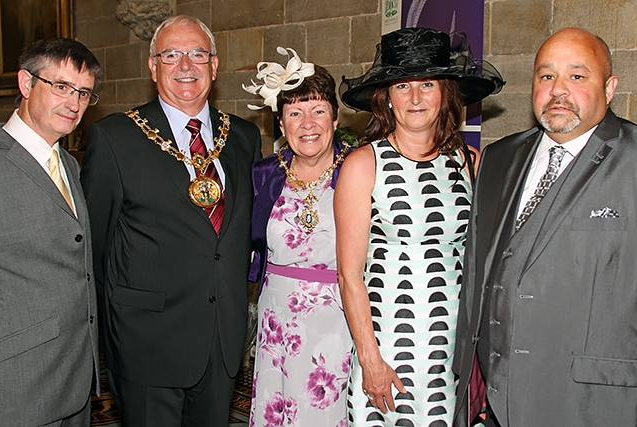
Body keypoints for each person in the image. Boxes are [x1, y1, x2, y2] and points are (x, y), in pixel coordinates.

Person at [80, 15, 262, 427]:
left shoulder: (244, 137)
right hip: (147, 342)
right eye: (171, 55)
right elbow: (95, 249)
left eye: (197, 54)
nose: (185, 66)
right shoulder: (115, 138)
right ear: (152, 66)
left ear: (214, 66)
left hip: (221, 339)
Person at [452, 27, 637, 427]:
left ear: (609, 88)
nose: (558, 90)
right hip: (499, 401)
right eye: (546, 75)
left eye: (577, 75)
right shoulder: (499, 158)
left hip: (595, 403)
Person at [335, 28, 504, 427]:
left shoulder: (469, 162)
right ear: (386, 97)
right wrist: (370, 359)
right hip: (387, 348)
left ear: (445, 92)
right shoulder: (363, 165)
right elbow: (349, 275)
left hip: (453, 351)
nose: (414, 98)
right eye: (402, 85)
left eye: (427, 84)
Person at [243, 48, 353, 427]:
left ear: (335, 118)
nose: (308, 123)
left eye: (318, 110)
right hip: (277, 318)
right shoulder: (262, 174)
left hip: (339, 319)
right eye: (295, 113)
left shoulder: (359, 170)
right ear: (281, 122)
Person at [0, 38, 102, 426]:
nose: (73, 103)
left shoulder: (69, 166)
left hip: (74, 379)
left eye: (83, 93)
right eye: (60, 86)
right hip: (15, 383)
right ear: (26, 84)